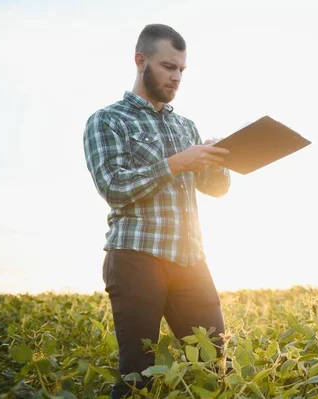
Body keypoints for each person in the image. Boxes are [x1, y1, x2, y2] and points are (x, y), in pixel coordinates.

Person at [83, 23, 231, 399]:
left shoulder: (186, 126)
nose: (177, 76)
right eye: (168, 66)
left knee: (216, 366)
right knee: (138, 375)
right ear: (140, 61)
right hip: (135, 257)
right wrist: (178, 162)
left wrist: (219, 160)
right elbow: (114, 187)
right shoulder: (107, 120)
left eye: (182, 69)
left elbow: (217, 189)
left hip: (190, 259)